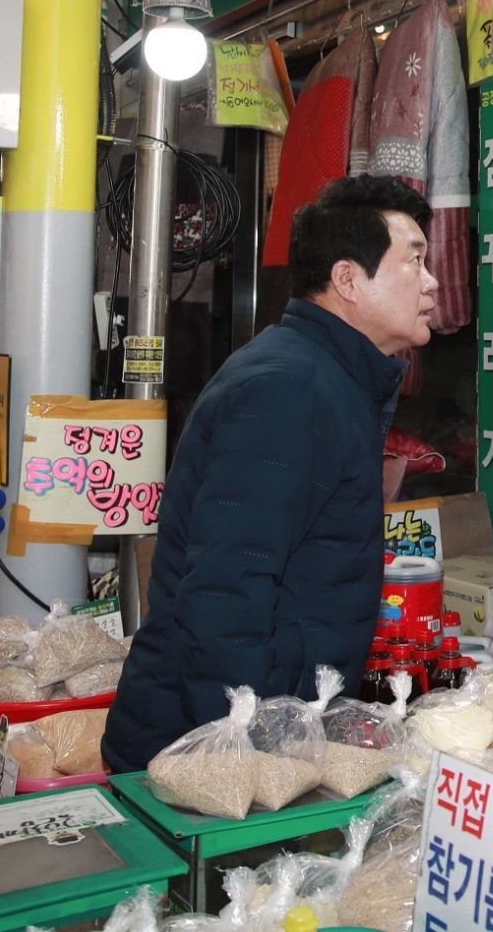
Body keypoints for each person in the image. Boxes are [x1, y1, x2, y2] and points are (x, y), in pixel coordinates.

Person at [102, 175, 437, 772]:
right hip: (210, 744)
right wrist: (250, 748)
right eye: (414, 261)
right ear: (347, 280)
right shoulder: (289, 388)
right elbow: (226, 590)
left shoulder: (328, 376)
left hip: (265, 720)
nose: (432, 283)